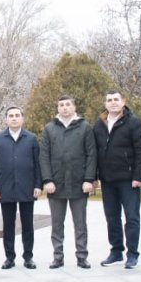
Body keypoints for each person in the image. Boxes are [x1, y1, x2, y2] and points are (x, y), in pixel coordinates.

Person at [40, 95, 97, 269]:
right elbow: (44, 156)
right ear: (58, 108)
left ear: (74, 107)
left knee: (80, 223)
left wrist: (89, 179)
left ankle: (82, 256)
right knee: (57, 224)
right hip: (56, 184)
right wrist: (47, 180)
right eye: (61, 105)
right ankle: (58, 256)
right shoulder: (50, 128)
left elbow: (91, 154)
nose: (64, 107)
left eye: (67, 104)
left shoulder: (84, 127)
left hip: (79, 183)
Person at [92, 91, 141, 270]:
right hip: (107, 180)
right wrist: (94, 176)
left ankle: (132, 254)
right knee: (112, 217)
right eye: (109, 100)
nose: (113, 102)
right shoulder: (99, 124)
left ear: (123, 102)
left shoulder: (133, 123)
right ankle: (116, 251)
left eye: (116, 99)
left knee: (132, 217)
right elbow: (94, 152)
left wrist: (138, 176)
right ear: (105, 103)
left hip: (128, 180)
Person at [0, 106, 42, 269]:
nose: (14, 118)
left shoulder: (31, 138)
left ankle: (28, 257)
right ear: (6, 119)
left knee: (28, 225)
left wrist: (38, 185)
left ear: (22, 118)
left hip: (27, 187)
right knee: (8, 225)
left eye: (17, 115)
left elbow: (38, 163)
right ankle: (9, 257)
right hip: (6, 188)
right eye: (11, 116)